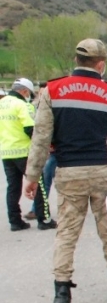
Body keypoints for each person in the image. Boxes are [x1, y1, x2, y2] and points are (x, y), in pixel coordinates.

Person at [24, 38, 107, 303]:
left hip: (69, 173)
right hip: (102, 173)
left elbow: (41, 139)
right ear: (100, 65)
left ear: (76, 61)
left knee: (66, 233)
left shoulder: (53, 91)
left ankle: (61, 294)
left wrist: (31, 176)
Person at [1, 77, 56, 231]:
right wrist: (45, 146)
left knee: (13, 188)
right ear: (24, 91)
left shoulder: (1, 104)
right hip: (25, 153)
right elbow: (30, 129)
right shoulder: (22, 105)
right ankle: (43, 219)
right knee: (38, 185)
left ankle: (15, 221)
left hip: (7, 153)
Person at [25, 82, 57, 222]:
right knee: (46, 179)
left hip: (56, 149)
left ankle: (37, 210)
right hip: (48, 150)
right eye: (40, 92)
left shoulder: (54, 106)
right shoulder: (35, 106)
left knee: (48, 180)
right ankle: (35, 209)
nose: (42, 94)